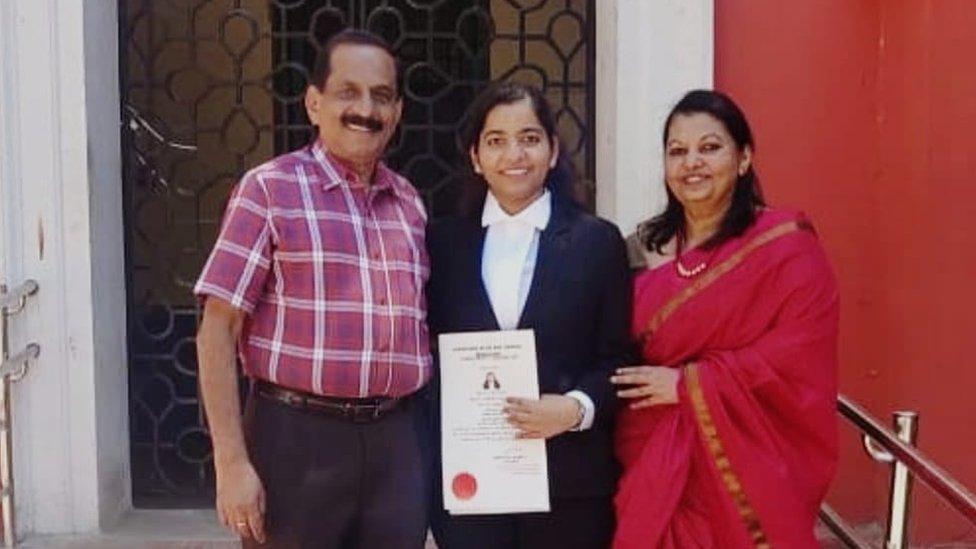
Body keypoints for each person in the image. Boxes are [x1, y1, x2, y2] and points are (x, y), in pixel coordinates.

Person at [194, 29, 432, 548]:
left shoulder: (410, 203)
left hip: (395, 443)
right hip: (295, 442)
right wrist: (231, 463)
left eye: (382, 96)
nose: (365, 109)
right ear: (314, 103)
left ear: (396, 111)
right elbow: (216, 332)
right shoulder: (270, 189)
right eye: (348, 92)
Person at [610, 89, 840, 548]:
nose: (691, 162)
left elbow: (799, 351)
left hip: (744, 461)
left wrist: (689, 384)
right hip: (649, 457)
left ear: (743, 158)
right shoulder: (638, 249)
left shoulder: (785, 247)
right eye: (677, 151)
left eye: (709, 148)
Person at [426, 82, 631, 548]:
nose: (514, 154)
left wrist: (577, 408)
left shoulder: (597, 242)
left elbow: (618, 358)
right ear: (476, 157)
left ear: (553, 150)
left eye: (530, 138)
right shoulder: (441, 244)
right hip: (471, 487)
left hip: (569, 486)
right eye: (496, 140)